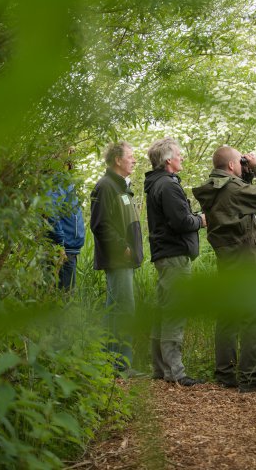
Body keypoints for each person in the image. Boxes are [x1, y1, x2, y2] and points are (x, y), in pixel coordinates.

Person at [193, 146, 256, 393]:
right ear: (230, 166)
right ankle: (250, 380)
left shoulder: (215, 189)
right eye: (240, 161)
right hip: (247, 260)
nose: (243, 164)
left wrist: (245, 172)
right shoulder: (234, 190)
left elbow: (241, 200)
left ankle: (225, 374)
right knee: (253, 319)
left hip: (227, 260)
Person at [144, 137, 206, 387]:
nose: (182, 157)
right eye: (179, 154)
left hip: (165, 254)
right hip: (174, 256)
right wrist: (200, 220)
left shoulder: (156, 184)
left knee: (163, 310)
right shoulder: (168, 186)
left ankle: (161, 368)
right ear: (169, 160)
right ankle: (176, 372)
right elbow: (181, 222)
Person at [90, 141, 143, 374]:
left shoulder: (122, 187)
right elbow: (100, 225)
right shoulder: (105, 186)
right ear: (117, 160)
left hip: (125, 260)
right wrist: (123, 248)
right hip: (118, 259)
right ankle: (121, 365)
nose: (134, 160)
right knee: (124, 310)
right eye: (130, 156)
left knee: (116, 309)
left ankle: (111, 365)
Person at [47, 148, 85, 291]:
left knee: (65, 299)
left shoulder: (66, 180)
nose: (72, 153)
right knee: (63, 302)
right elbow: (49, 212)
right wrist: (60, 244)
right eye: (68, 150)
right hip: (63, 252)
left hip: (70, 251)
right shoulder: (57, 180)